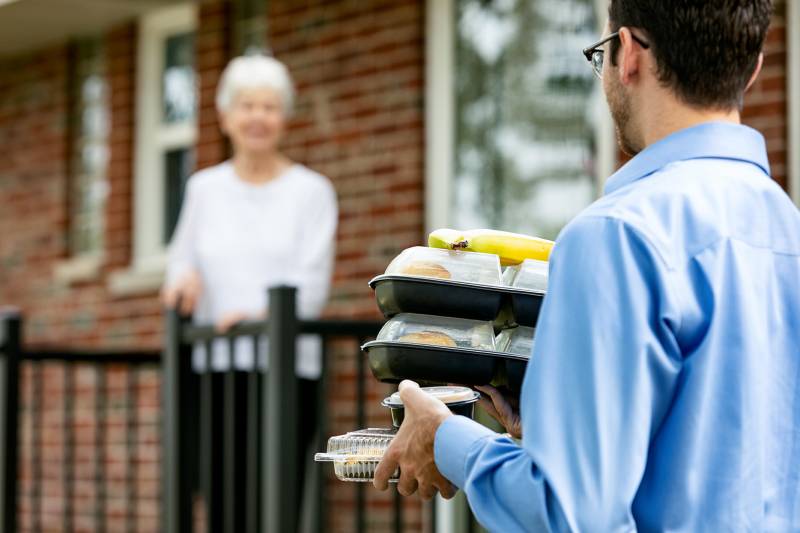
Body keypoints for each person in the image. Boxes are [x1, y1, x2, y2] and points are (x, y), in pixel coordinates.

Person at [374, 1, 800, 531]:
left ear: (628, 54)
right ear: (755, 66)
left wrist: (447, 440)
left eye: (601, 55)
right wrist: (559, 431)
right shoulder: (788, 230)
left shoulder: (615, 235)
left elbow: (572, 513)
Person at [161, 54, 337, 521]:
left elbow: (312, 288)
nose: (258, 117)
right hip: (215, 369)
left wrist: (254, 317)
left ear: (285, 118)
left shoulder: (312, 192)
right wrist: (180, 278)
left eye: (270, 106)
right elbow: (180, 261)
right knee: (222, 505)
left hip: (284, 371)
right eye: (246, 105)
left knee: (272, 505)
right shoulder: (204, 188)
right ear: (224, 117)